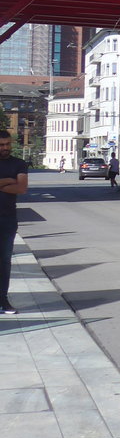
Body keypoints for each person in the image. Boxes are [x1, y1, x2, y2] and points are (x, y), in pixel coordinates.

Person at [0, 130, 30, 315]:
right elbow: (14, 184)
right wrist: (7, 181)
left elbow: (21, 188)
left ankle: (3, 300)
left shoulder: (19, 163)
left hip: (7, 219)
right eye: (1, 145)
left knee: (4, 261)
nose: (5, 148)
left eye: (7, 144)